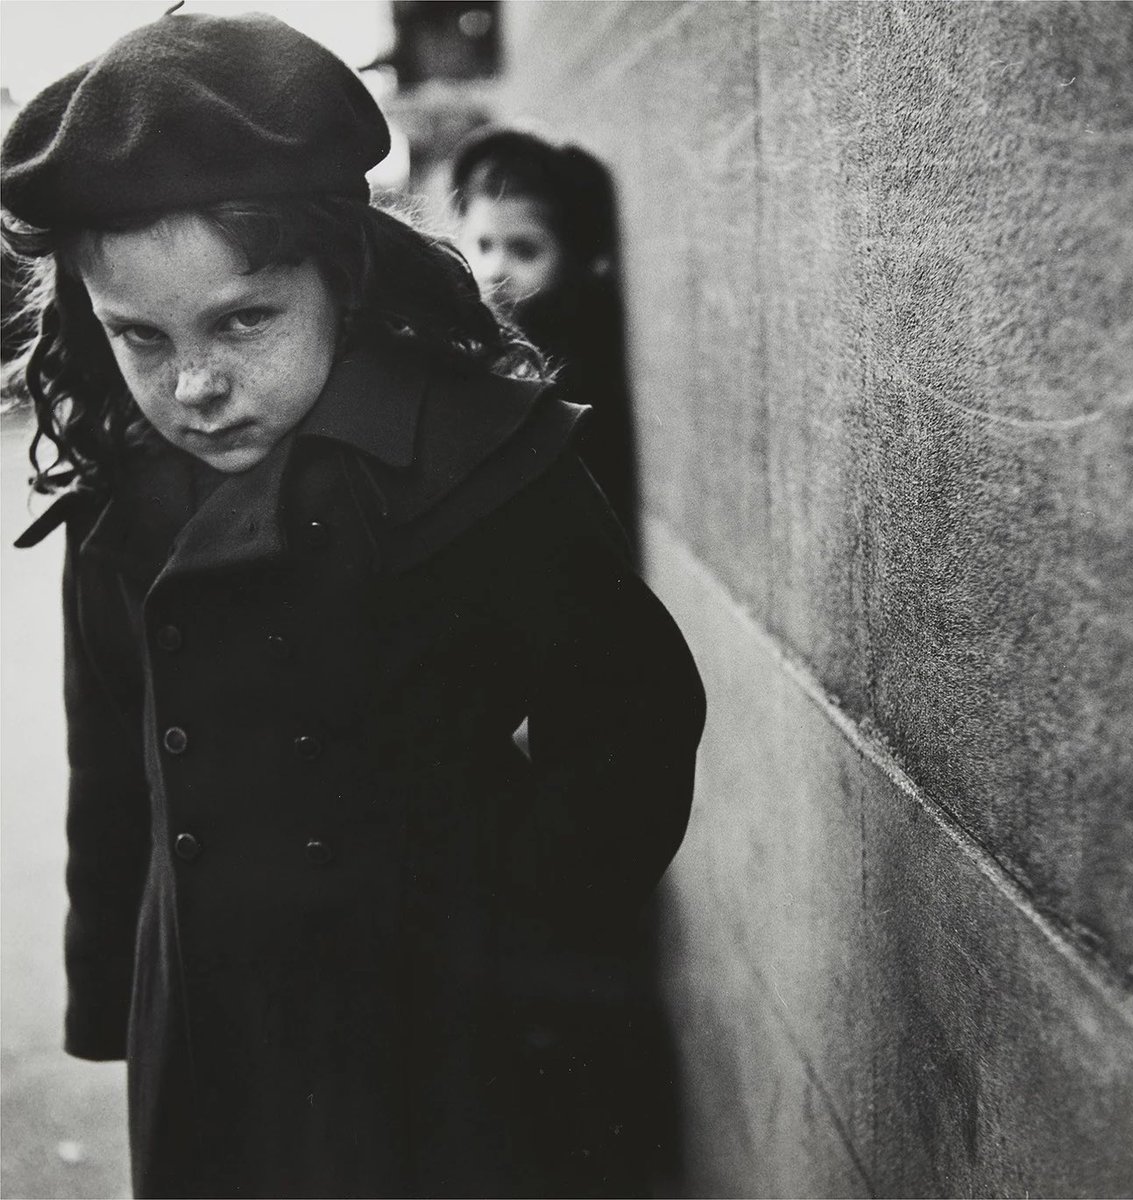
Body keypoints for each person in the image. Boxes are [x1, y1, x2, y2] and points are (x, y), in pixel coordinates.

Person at [1, 13, 705, 1199]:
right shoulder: (119, 500)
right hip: (214, 1018)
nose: (196, 385)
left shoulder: (479, 461)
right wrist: (114, 995)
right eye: (137, 337)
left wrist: (518, 942)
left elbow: (631, 723)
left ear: (343, 271)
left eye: (243, 321)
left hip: (441, 1030)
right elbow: (115, 769)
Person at [451, 128, 641, 561]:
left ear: (572, 258)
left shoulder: (571, 369)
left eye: (524, 250)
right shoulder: (474, 342)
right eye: (483, 245)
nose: (494, 269)